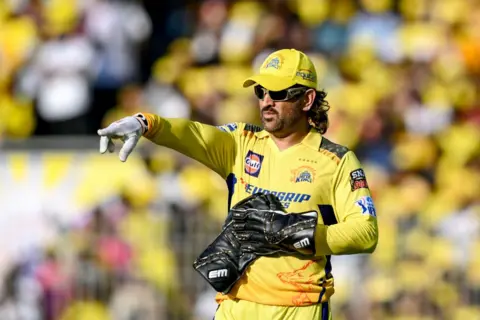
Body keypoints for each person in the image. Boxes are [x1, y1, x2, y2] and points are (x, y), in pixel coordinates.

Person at [98, 48, 379, 320]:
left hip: (299, 309)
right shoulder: (241, 143)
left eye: (278, 93)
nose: (266, 101)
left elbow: (366, 233)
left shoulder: (337, 161)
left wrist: (298, 233)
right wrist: (147, 123)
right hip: (236, 307)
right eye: (261, 92)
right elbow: (194, 134)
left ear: (307, 100)